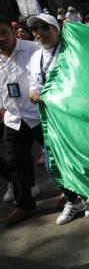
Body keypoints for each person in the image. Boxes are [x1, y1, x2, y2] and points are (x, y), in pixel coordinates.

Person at [26, 13, 89, 225]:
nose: (39, 33)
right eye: (35, 29)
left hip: (73, 118)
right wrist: (33, 94)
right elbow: (33, 84)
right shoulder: (35, 58)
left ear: (57, 30)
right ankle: (73, 200)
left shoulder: (71, 53)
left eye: (45, 28)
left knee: (83, 159)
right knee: (51, 164)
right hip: (50, 121)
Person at [0, 15, 42, 224]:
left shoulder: (33, 48)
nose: (2, 39)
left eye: (4, 32)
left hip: (39, 115)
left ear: (12, 30)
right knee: (15, 162)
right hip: (13, 119)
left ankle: (73, 194)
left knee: (57, 156)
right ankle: (24, 204)